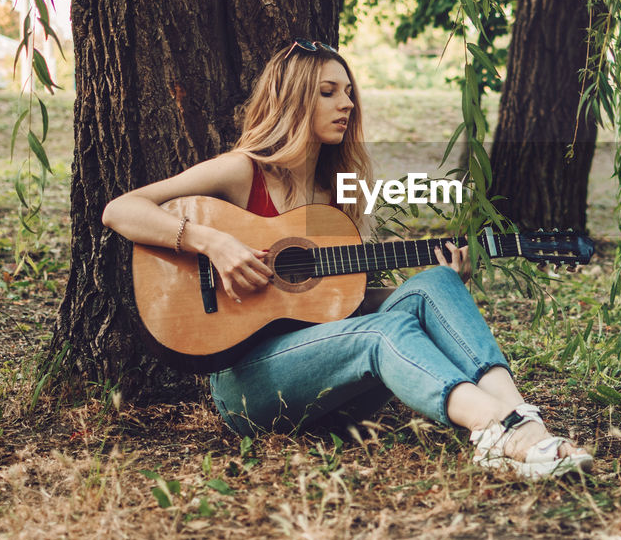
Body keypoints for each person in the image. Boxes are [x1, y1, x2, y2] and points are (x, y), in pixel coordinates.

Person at [101, 39, 592, 479]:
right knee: (381, 333)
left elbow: (340, 308)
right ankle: (493, 428)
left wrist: (434, 285)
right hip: (249, 389)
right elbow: (120, 210)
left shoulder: (334, 199)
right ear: (292, 99)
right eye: (329, 92)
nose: (348, 105)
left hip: (337, 389)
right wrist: (212, 243)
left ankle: (526, 428)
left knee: (435, 286)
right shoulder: (243, 172)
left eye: (349, 92)